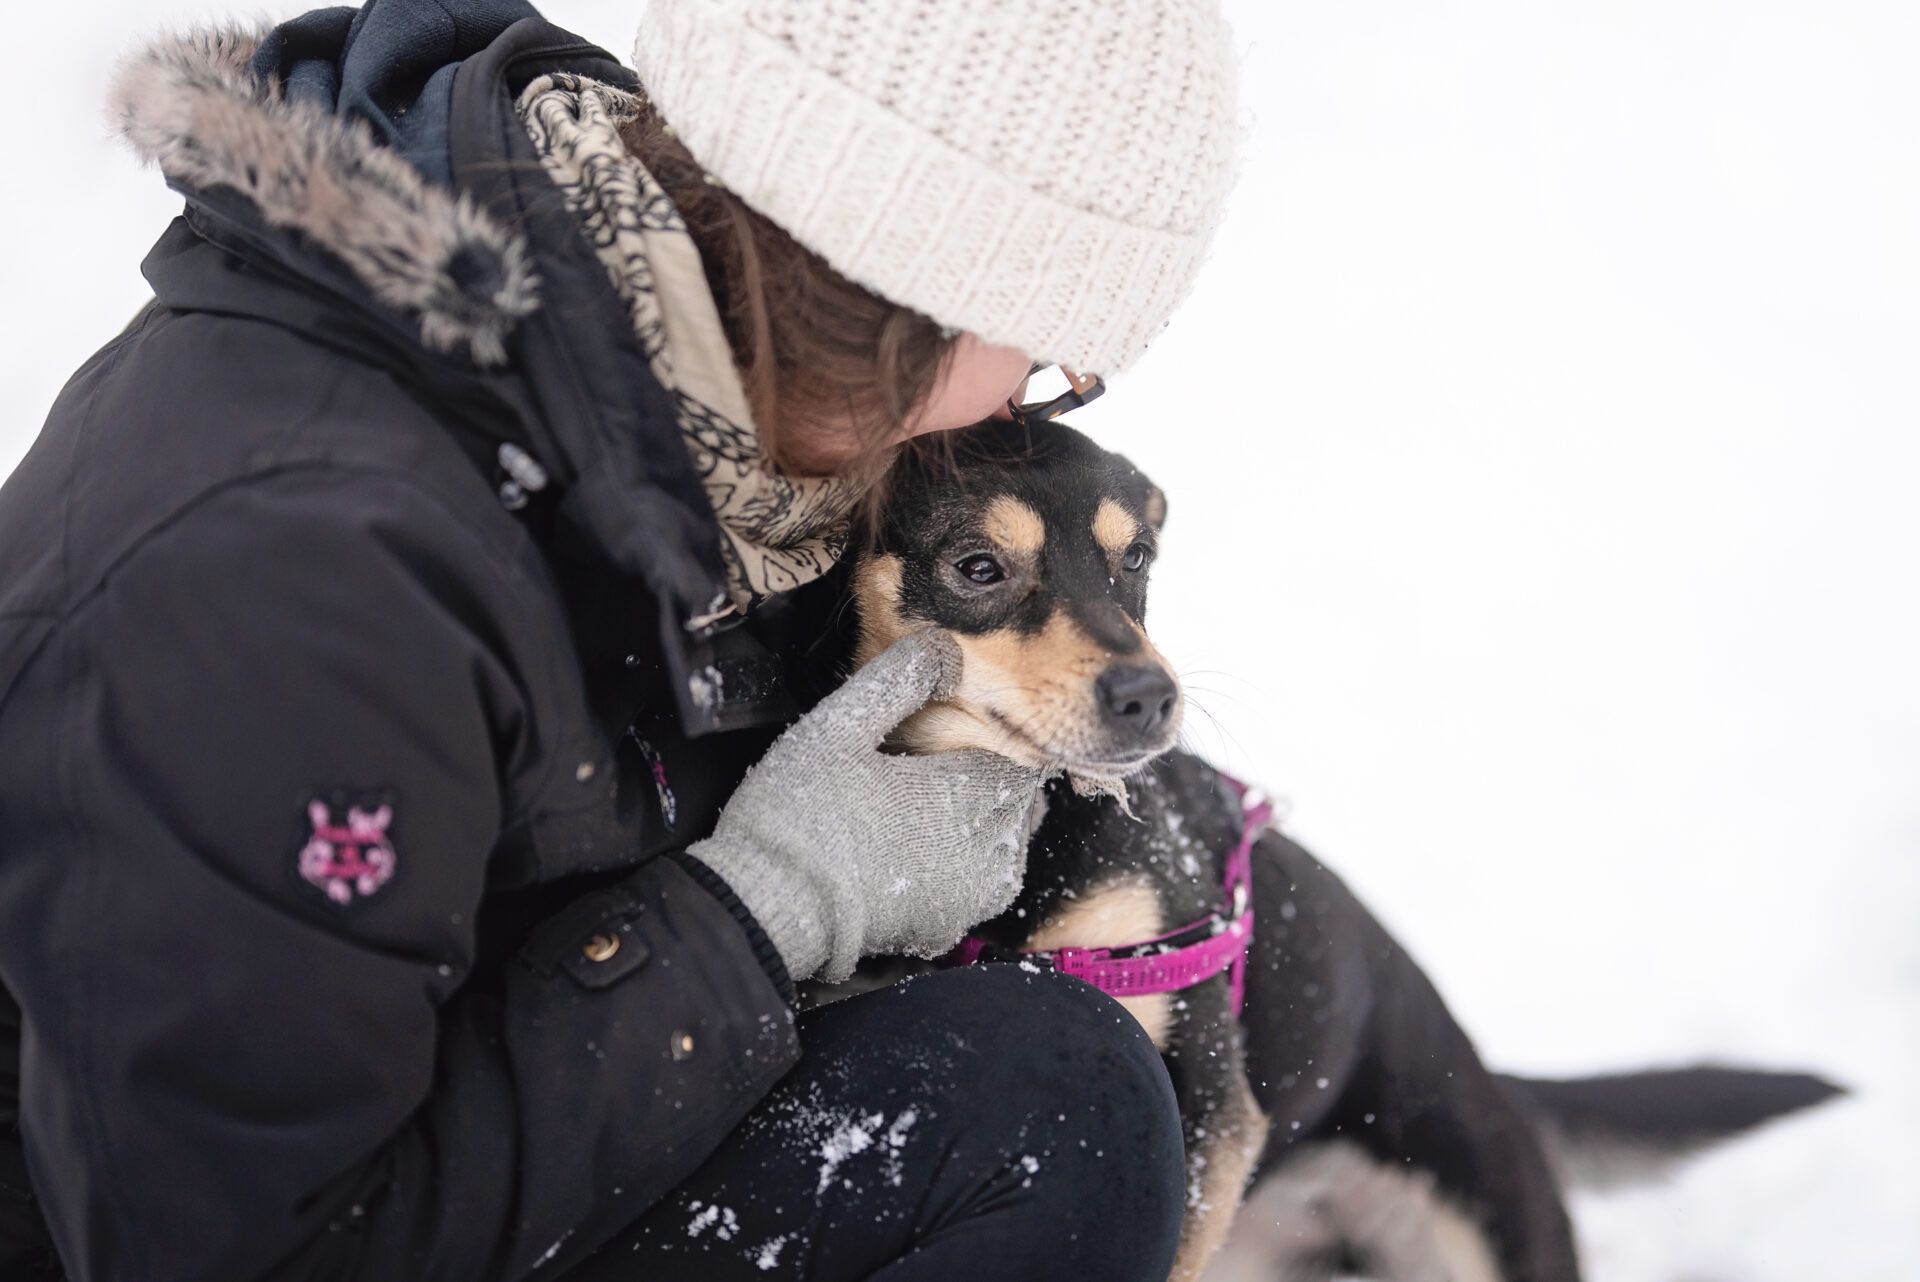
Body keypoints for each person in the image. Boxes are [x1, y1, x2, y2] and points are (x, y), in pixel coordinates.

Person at [0, 0, 1239, 1277]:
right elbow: (245, 1247)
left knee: (1040, 1092)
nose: (1028, 405)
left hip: (504, 1089)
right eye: (1045, 364)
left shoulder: (706, 399)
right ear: (906, 304)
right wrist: (766, 902)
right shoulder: (294, 584)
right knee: (1062, 1118)